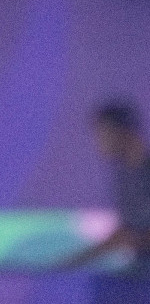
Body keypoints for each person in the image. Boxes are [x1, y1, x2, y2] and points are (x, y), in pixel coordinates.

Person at [64, 101, 150, 269]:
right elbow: (129, 229)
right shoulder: (125, 174)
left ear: (122, 132)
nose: (99, 142)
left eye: (102, 134)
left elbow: (133, 235)